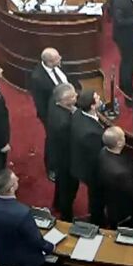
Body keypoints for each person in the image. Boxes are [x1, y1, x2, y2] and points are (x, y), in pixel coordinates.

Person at [0, 169, 54, 266]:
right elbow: (36, 240)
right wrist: (50, 247)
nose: (18, 179)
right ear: (11, 188)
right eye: (15, 180)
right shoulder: (22, 212)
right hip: (24, 265)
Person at [71, 89, 106, 225]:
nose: (99, 98)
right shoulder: (90, 133)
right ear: (92, 106)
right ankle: (98, 220)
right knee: (97, 197)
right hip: (92, 172)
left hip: (82, 160)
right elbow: (96, 157)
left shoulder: (79, 113)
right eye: (97, 97)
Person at [100, 126, 133, 228]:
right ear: (119, 143)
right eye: (123, 136)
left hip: (111, 200)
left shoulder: (103, 151)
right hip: (125, 211)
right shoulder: (122, 173)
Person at [47, 84, 78, 220]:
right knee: (69, 188)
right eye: (72, 96)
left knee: (61, 184)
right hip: (66, 159)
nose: (76, 96)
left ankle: (57, 204)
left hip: (57, 154)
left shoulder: (54, 102)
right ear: (64, 101)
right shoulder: (64, 123)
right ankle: (67, 217)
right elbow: (72, 141)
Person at [27, 47, 78, 129]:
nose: (60, 58)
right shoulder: (37, 78)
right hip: (57, 114)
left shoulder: (59, 64)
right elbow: (41, 104)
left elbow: (71, 79)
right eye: (57, 58)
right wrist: (49, 122)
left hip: (71, 104)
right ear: (50, 62)